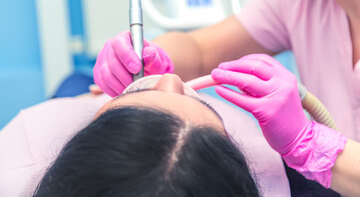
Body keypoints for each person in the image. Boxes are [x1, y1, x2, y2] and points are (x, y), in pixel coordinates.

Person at [93, 0, 360, 196]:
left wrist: (310, 144)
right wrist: (145, 56)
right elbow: (199, 51)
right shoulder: (299, 2)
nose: (171, 81)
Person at [0, 73, 290, 196]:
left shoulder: (17, 155)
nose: (171, 79)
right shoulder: (286, 177)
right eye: (199, 103)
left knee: (76, 82)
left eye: (121, 110)